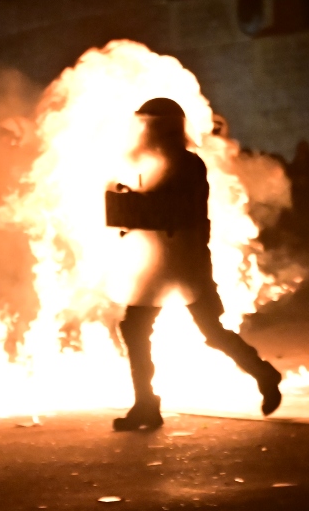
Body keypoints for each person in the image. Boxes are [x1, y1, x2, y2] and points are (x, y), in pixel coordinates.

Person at [111, 98, 282, 431]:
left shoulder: (187, 165)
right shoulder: (148, 163)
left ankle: (263, 373)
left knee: (211, 332)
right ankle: (146, 404)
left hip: (184, 259)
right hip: (155, 261)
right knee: (135, 328)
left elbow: (177, 211)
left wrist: (140, 202)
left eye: (150, 124)